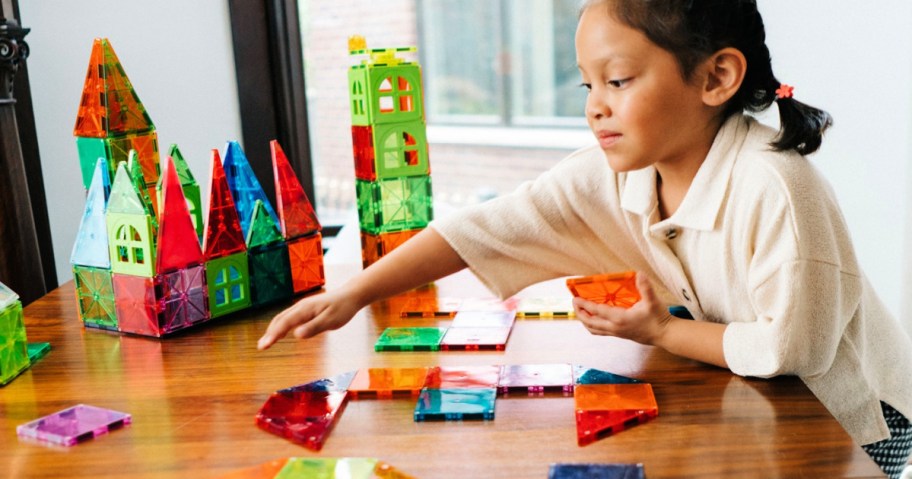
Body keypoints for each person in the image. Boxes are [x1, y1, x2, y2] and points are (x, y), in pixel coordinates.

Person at [258, 1, 912, 475]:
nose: (594, 105)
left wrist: (661, 332)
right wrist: (354, 292)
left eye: (619, 81)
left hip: (853, 412)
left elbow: (793, 348)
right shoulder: (618, 170)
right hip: (760, 394)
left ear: (716, 78)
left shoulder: (777, 187)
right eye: (587, 83)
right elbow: (490, 225)